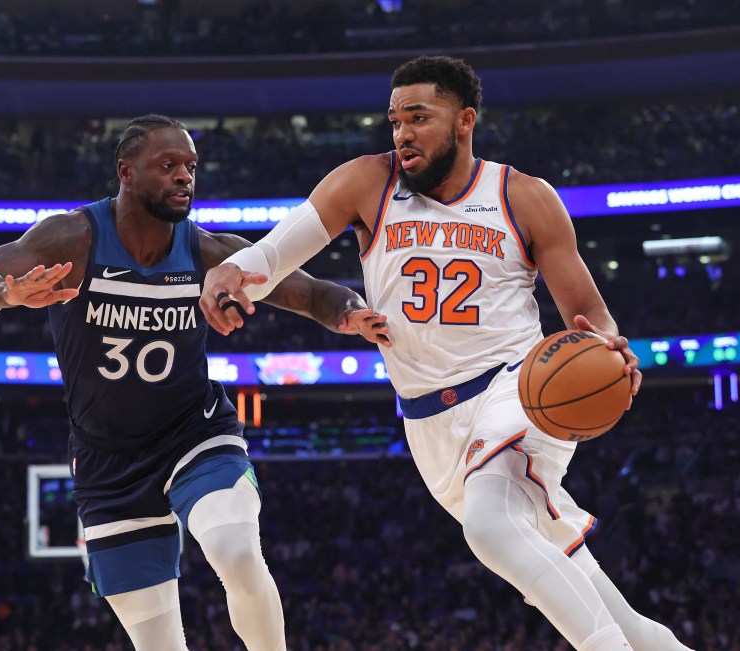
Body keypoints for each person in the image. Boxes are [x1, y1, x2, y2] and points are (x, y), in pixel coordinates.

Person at [199, 57, 694, 651]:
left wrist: (609, 347)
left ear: (464, 121)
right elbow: (277, 251)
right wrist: (232, 272)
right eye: (394, 121)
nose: (402, 133)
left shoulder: (523, 196)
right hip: (429, 421)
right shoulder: (365, 181)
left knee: (490, 529)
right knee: (590, 589)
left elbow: (588, 310)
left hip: (521, 388)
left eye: (418, 118)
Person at [0, 114, 386, 651]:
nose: (184, 177)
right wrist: (5, 295)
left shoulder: (206, 253)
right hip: (108, 463)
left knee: (237, 550)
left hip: (193, 432)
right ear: (125, 172)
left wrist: (351, 312)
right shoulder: (74, 238)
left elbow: (313, 293)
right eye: (168, 165)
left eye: (191, 167)